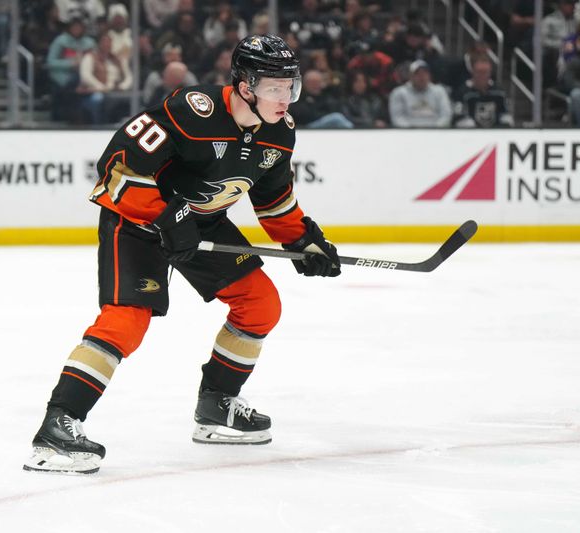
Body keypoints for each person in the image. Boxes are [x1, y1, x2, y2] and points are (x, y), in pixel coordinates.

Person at [24, 34, 342, 476]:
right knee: (126, 321)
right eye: (273, 87)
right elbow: (117, 168)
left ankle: (216, 407)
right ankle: (58, 428)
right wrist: (165, 217)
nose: (284, 98)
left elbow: (273, 200)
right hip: (138, 223)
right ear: (245, 86)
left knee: (260, 304)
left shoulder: (280, 131)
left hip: (201, 226)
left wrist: (304, 242)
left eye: (289, 86)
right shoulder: (192, 111)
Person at [452, 56, 513, 128]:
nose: (482, 76)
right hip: (470, 134)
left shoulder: (499, 92)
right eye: (479, 72)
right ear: (473, 72)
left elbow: (506, 113)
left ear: (490, 73)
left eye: (485, 72)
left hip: (495, 132)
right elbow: (458, 116)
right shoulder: (463, 92)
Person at [388, 59, 451, 128]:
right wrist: (411, 131)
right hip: (408, 134)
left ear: (429, 76)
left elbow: (446, 115)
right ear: (411, 76)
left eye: (425, 73)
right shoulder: (399, 93)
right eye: (417, 73)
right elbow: (397, 118)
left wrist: (434, 130)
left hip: (435, 133)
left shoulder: (439, 91)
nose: (422, 77)